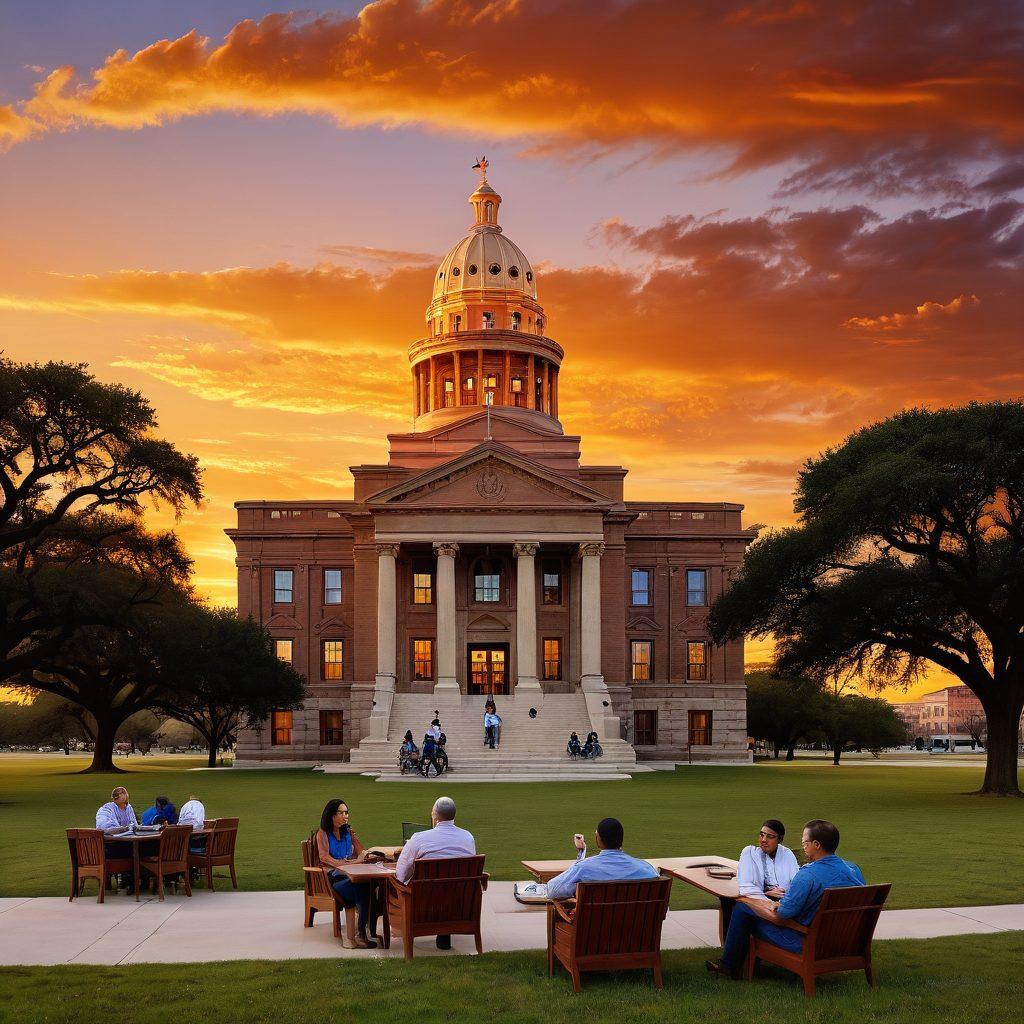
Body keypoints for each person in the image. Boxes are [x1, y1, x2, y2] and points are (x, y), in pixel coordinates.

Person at [707, 819, 866, 979]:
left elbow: (784, 913)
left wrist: (774, 905)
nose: (803, 847)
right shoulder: (854, 869)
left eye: (805, 843)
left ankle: (728, 966)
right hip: (848, 942)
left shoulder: (807, 875)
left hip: (807, 942)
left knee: (742, 910)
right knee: (749, 908)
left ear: (816, 845)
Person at [395, 796, 476, 949]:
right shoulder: (468, 838)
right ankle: (444, 935)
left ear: (435, 816)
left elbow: (401, 874)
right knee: (447, 887)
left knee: (395, 884)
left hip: (424, 904)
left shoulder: (419, 838)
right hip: (458, 903)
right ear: (454, 816)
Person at [546, 817, 659, 901]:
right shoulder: (646, 869)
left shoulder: (584, 869)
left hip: (593, 930)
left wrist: (581, 854)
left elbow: (552, 890)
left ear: (598, 838)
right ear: (621, 839)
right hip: (636, 929)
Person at [316, 798, 374, 948]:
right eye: (341, 813)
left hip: (351, 874)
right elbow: (324, 857)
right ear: (331, 815)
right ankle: (360, 933)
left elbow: (361, 851)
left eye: (346, 812)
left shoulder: (348, 832)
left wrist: (356, 841)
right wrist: (350, 863)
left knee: (368, 884)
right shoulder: (323, 833)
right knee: (360, 887)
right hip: (333, 878)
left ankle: (360, 932)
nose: (345, 816)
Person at [736, 819, 799, 901]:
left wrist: (783, 892)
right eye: (762, 835)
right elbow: (745, 886)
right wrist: (766, 894)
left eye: (770, 837)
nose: (763, 840)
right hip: (754, 901)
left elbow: (796, 881)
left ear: (780, 839)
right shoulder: (749, 853)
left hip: (784, 901)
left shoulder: (786, 853)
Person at [96, 786, 139, 891]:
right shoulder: (107, 809)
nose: (120, 795)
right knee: (132, 850)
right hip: (110, 847)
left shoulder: (129, 808)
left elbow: (134, 826)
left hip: (125, 842)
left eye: (122, 792)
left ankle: (134, 879)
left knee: (141, 848)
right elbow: (103, 826)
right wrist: (122, 829)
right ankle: (128, 879)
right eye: (118, 794)